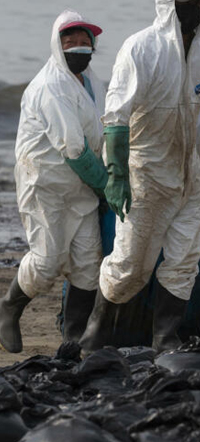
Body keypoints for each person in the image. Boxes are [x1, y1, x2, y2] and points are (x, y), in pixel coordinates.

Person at [79, 0, 200, 354]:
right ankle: (94, 333)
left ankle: (165, 337)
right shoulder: (141, 47)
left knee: (186, 257)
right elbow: (116, 116)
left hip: (189, 174)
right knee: (129, 265)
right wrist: (117, 174)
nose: (197, 4)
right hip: (147, 174)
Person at [0, 11, 107, 353]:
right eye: (70, 41)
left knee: (89, 264)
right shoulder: (51, 86)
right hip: (45, 184)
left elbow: (103, 132)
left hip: (82, 188)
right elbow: (74, 150)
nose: (78, 47)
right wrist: (107, 186)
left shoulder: (93, 83)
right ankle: (8, 307)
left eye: (84, 41)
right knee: (46, 262)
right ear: (56, 45)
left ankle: (73, 340)